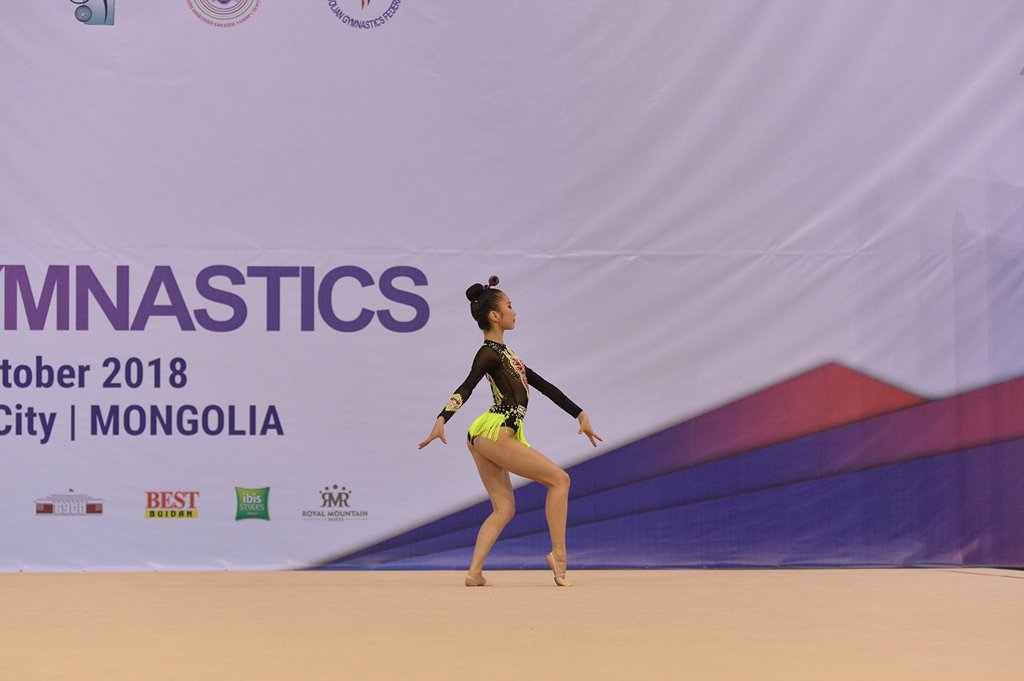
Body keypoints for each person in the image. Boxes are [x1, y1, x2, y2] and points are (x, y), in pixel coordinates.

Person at [418, 276, 601, 587]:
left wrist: (579, 414)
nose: (515, 311)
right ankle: (559, 557)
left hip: (484, 434)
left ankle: (474, 574)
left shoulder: (509, 356)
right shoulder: (488, 353)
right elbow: (467, 385)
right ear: (494, 315)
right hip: (496, 431)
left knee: (503, 509)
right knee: (560, 480)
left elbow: (545, 386)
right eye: (510, 306)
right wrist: (442, 417)